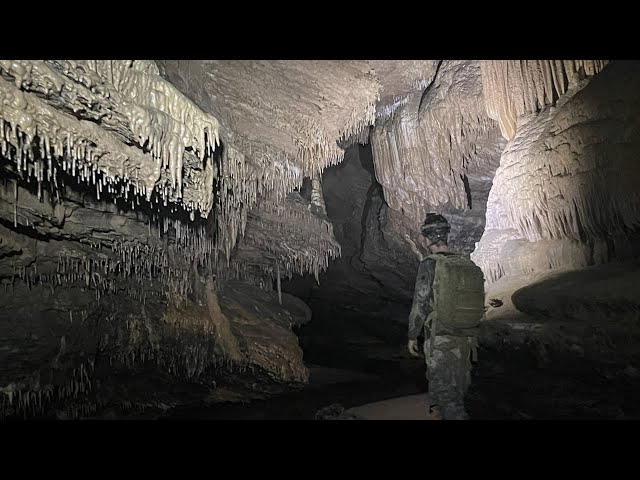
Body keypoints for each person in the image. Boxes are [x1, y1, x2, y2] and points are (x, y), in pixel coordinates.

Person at [407, 213, 482, 420]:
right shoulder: (465, 263)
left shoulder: (430, 264)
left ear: (426, 239)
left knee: (446, 396)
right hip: (466, 340)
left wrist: (412, 335)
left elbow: (420, 303)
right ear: (446, 236)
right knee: (459, 390)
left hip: (441, 339)